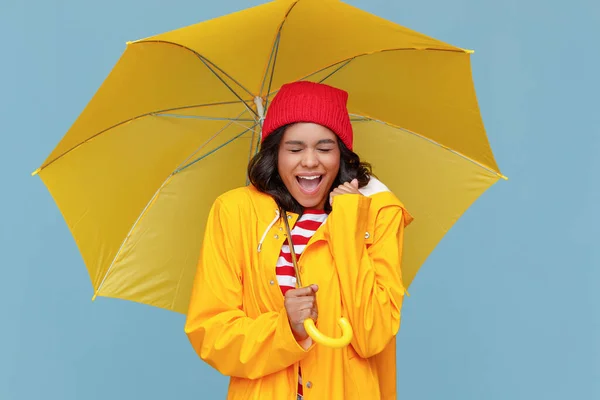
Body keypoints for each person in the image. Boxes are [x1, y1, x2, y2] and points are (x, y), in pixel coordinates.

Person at [184, 81, 413, 400]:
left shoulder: (376, 213)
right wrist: (286, 328)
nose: (309, 161)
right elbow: (212, 333)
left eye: (324, 148)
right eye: (294, 149)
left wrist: (348, 222)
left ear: (342, 154)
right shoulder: (236, 211)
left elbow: (372, 335)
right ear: (275, 154)